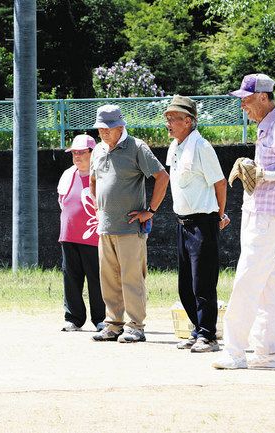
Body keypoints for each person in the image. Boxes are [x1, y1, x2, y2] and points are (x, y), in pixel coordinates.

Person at [213, 74, 275, 369]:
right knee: (267, 282)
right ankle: (269, 353)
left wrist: (264, 174)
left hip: (269, 214)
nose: (243, 105)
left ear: (264, 97)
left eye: (247, 99)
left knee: (247, 278)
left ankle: (234, 351)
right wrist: (255, 168)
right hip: (258, 210)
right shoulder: (266, 126)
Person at [89, 105, 169, 343]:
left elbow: (162, 177)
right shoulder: (99, 150)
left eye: (108, 128)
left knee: (132, 277)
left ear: (120, 126)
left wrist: (150, 211)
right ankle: (113, 324)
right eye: (101, 128)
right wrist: (97, 206)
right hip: (105, 226)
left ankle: (136, 325)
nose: (103, 132)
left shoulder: (137, 147)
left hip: (130, 227)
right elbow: (93, 180)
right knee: (108, 277)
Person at [164, 95, 230, 353]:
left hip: (203, 221)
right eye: (167, 118)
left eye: (174, 118)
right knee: (185, 283)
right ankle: (196, 329)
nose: (168, 123)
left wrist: (219, 215)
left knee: (203, 281)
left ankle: (208, 335)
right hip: (182, 223)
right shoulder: (176, 146)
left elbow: (220, 183)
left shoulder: (202, 146)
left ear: (189, 121)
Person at [58, 134, 106, 332]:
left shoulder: (102, 174)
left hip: (94, 236)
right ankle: (74, 318)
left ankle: (101, 319)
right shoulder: (68, 174)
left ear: (92, 153)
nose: (77, 157)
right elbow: (62, 201)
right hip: (69, 235)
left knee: (97, 279)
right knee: (71, 278)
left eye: (81, 153)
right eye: (74, 153)